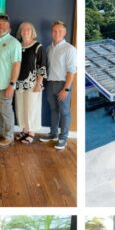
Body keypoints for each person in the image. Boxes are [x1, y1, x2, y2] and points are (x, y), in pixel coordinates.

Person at [0, 13, 21, 149]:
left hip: (6, 85)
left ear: (9, 26)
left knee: (6, 111)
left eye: (4, 24)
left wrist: (12, 85)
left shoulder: (14, 43)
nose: (1, 26)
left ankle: (9, 137)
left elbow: (16, 65)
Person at [40, 20, 76, 150]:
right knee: (54, 110)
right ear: (51, 32)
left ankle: (63, 138)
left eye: (60, 31)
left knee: (64, 112)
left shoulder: (70, 49)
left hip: (62, 85)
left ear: (65, 32)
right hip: (50, 84)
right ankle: (53, 133)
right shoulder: (49, 48)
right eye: (55, 31)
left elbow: (72, 71)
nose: (57, 33)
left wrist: (66, 88)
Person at [14, 21, 46, 144]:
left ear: (32, 32)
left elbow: (42, 67)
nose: (25, 31)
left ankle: (31, 132)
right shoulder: (17, 46)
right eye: (23, 29)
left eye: (28, 29)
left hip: (33, 83)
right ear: (20, 32)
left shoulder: (38, 46)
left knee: (32, 108)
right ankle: (24, 129)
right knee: (21, 107)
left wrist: (39, 83)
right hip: (19, 83)